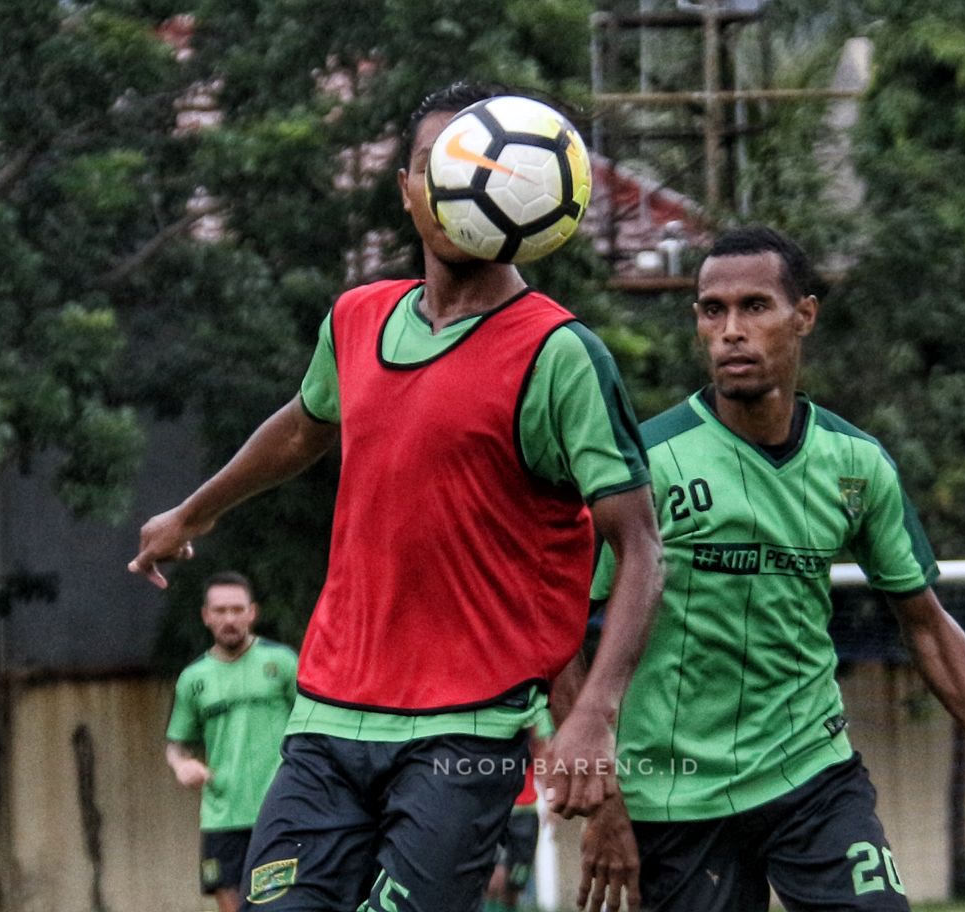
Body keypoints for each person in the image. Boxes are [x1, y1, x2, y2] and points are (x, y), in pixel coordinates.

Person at [130, 81, 663, 912]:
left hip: (468, 729)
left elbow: (640, 547)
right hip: (329, 719)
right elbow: (306, 427)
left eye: (479, 164)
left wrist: (594, 711)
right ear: (409, 189)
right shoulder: (356, 318)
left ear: (526, 185)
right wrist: (194, 512)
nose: (458, 185)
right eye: (436, 165)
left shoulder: (560, 355)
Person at [574, 226, 965, 912]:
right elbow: (562, 629)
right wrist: (601, 796)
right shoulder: (648, 468)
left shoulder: (856, 464)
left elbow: (926, 628)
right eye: (712, 310)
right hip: (674, 792)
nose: (730, 331)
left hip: (812, 775)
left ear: (803, 316)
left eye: (755, 306)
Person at [165, 572, 299, 912]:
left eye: (237, 609)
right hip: (222, 816)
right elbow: (177, 744)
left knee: (278, 905)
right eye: (220, 610)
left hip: (278, 811)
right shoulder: (194, 679)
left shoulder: (282, 663)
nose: (229, 619)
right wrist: (182, 765)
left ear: (252, 613)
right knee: (232, 906)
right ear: (206, 616)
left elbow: (313, 727)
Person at [483, 744, 542, 912]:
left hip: (526, 814)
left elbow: (544, 756)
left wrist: (552, 794)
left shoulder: (533, 725)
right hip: (497, 811)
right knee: (494, 880)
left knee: (513, 886)